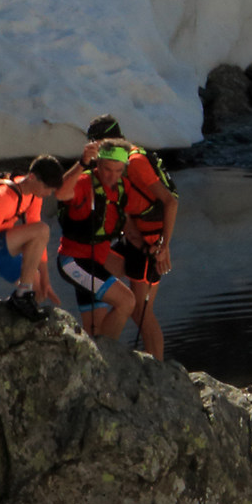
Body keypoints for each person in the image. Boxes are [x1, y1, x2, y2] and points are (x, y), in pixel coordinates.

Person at [86, 116, 172, 361]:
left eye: (97, 144)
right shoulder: (121, 161)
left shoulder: (134, 161)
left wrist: (164, 246)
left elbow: (170, 202)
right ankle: (104, 346)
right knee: (125, 299)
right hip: (136, 242)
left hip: (149, 245)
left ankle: (158, 370)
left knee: (142, 314)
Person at [54, 146, 139, 342]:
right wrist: (82, 162)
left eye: (118, 170)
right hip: (73, 262)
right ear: (98, 165)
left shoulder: (122, 187)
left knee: (95, 329)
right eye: (108, 169)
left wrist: (154, 247)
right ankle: (104, 356)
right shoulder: (84, 182)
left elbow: (129, 221)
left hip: (95, 263)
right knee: (126, 301)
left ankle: (96, 359)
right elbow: (60, 193)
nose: (113, 176)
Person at [0, 156, 67, 307]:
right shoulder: (3, 198)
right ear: (32, 177)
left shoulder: (33, 196)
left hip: (1, 249)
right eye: (47, 187)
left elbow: (39, 240)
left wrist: (45, 279)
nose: (48, 193)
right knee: (42, 229)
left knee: (38, 291)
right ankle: (22, 296)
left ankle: (23, 302)